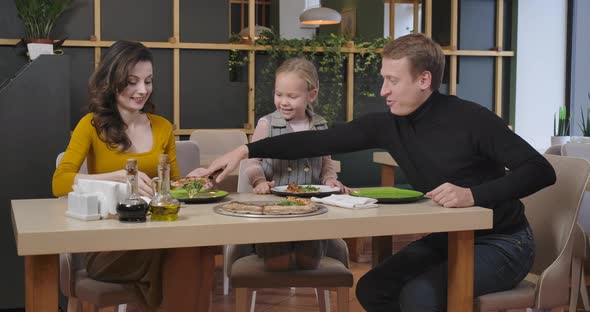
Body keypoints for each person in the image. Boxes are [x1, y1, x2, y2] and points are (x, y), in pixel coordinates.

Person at [195, 33, 556, 311]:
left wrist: (473, 195)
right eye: (383, 79)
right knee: (371, 288)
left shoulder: (472, 119)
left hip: (505, 242)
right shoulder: (389, 124)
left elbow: (540, 171)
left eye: (392, 81)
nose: (383, 90)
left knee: (419, 295)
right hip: (451, 237)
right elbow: (313, 142)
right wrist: (245, 149)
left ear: (424, 80)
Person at [53, 40, 203, 311]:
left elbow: (174, 188)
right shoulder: (91, 125)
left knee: (192, 249)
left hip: (157, 233)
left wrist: (196, 181)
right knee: (186, 253)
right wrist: (118, 177)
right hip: (110, 245)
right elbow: (59, 182)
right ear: (113, 81)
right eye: (132, 81)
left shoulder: (163, 127)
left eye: (148, 81)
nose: (142, 90)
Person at [243, 57, 347, 271]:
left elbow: (326, 162)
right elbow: (252, 163)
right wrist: (259, 180)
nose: (283, 101)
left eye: (292, 96)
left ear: (312, 95)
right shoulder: (266, 124)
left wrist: (329, 179)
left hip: (312, 210)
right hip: (274, 211)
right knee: (276, 264)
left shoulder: (320, 125)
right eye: (278, 94)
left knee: (309, 263)